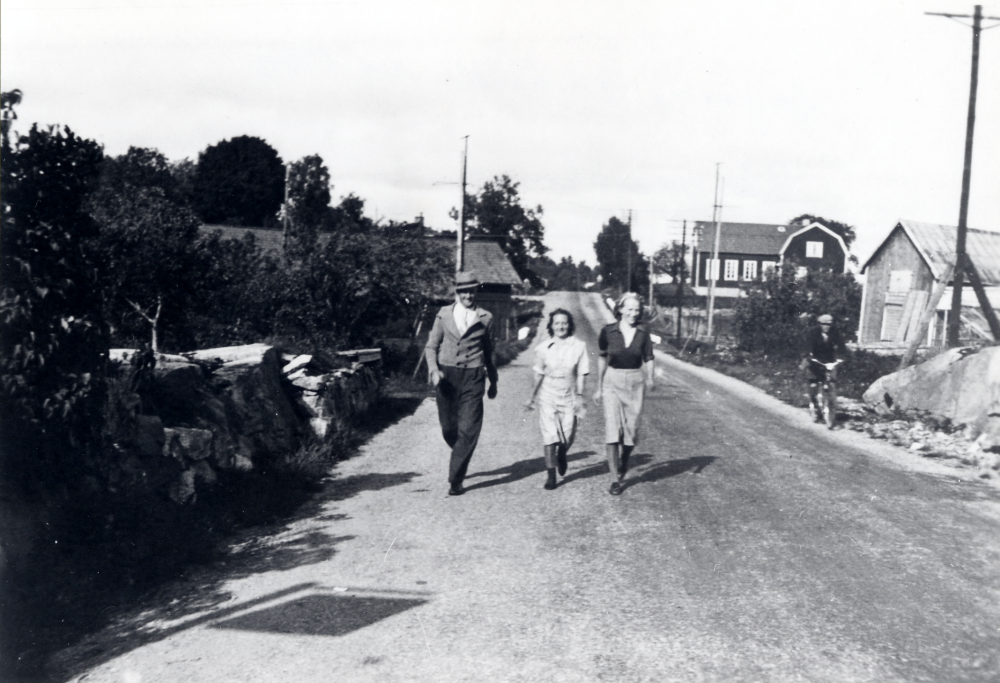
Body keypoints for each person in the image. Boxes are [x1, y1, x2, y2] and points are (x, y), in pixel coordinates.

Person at [425, 271, 499, 496]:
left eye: (472, 290)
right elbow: (431, 346)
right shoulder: (444, 314)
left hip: (474, 377)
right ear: (457, 292)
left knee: (468, 430)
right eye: (464, 291)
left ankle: (455, 480)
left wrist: (493, 381)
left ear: (476, 291)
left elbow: (489, 352)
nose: (468, 295)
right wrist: (434, 369)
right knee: (449, 429)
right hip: (447, 377)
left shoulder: (486, 317)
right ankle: (461, 454)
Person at [593, 292, 655, 496]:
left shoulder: (643, 333)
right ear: (620, 309)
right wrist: (599, 385)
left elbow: (649, 357)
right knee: (613, 428)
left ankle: (625, 460)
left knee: (632, 431)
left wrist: (650, 378)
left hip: (636, 382)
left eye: (637, 310)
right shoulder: (608, 331)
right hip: (612, 380)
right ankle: (614, 480)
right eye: (629, 309)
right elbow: (602, 357)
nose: (633, 313)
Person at [524, 309, 589, 490]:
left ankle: (562, 453)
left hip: (569, 396)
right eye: (557, 323)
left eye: (564, 323)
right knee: (549, 436)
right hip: (548, 395)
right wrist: (531, 397)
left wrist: (580, 395)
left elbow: (582, 373)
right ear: (551, 326)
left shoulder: (579, 346)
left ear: (570, 325)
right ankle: (551, 476)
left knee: (567, 436)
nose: (561, 326)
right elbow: (538, 375)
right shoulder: (543, 348)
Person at [801, 313, 846, 422]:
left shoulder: (835, 333)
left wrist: (841, 357)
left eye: (829, 324)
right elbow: (807, 346)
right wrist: (808, 355)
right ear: (819, 324)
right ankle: (813, 403)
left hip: (829, 361)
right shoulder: (813, 333)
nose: (827, 326)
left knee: (831, 382)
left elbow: (841, 347)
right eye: (824, 324)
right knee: (813, 383)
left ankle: (831, 406)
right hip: (815, 361)